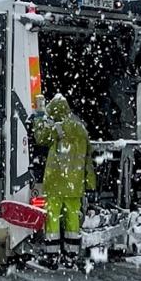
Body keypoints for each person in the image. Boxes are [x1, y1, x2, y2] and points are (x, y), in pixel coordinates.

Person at [34, 93, 95, 267]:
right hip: (74, 183)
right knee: (72, 218)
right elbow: (88, 157)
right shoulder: (81, 129)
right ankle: (71, 256)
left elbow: (40, 138)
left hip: (55, 182)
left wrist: (39, 118)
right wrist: (89, 181)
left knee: (53, 218)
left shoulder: (59, 129)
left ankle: (52, 256)